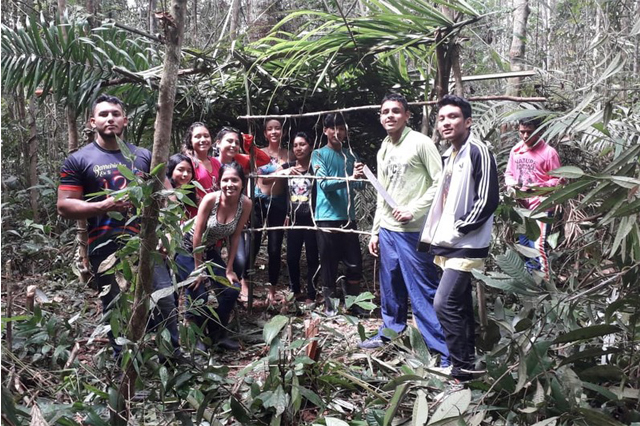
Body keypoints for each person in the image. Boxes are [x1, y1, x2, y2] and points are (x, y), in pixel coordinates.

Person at [57, 94, 179, 356]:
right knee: (116, 307)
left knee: (165, 301)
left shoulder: (144, 156)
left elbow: (168, 196)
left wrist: (166, 235)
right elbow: (64, 205)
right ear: (92, 122)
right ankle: (124, 367)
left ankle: (172, 360)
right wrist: (103, 206)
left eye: (115, 113)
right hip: (106, 247)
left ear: (125, 120)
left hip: (146, 242)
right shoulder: (79, 160)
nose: (109, 118)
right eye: (103, 114)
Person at [360, 93, 449, 367]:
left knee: (423, 289)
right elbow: (381, 193)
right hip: (388, 230)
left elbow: (440, 181)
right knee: (391, 286)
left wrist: (415, 209)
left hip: (413, 231)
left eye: (396, 111)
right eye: (385, 111)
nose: (390, 116)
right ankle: (391, 332)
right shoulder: (384, 147)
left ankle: (442, 349)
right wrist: (375, 231)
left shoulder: (421, 143)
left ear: (407, 115)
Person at [419, 95, 499, 383]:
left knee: (443, 303)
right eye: (441, 118)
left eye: (452, 117)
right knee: (459, 304)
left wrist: (459, 229)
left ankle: (461, 369)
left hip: (467, 243)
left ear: (468, 121)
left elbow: (488, 199)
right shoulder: (451, 154)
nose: (445, 123)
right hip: (451, 243)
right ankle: (467, 366)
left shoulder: (478, 150)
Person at [175, 162, 252, 350]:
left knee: (232, 289)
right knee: (197, 290)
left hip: (209, 250)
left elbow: (235, 237)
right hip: (187, 248)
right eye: (225, 180)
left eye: (235, 180)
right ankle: (197, 337)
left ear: (242, 183)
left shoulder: (246, 203)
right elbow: (197, 234)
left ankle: (218, 334)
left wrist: (229, 268)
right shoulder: (211, 200)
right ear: (219, 182)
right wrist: (198, 269)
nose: (230, 184)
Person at [311, 113, 365, 316]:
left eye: (341, 128)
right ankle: (330, 306)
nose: (337, 132)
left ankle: (353, 303)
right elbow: (323, 183)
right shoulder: (318, 154)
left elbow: (359, 185)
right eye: (332, 128)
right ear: (325, 131)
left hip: (348, 217)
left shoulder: (351, 155)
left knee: (354, 262)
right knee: (328, 262)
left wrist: (360, 174)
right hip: (326, 217)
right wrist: (350, 177)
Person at [214, 126, 270, 301]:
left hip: (237, 216)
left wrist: (248, 144)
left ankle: (235, 288)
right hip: (214, 218)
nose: (233, 145)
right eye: (229, 141)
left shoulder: (240, 161)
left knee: (240, 259)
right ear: (218, 143)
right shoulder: (212, 163)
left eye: (235, 142)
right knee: (213, 255)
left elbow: (264, 159)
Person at [264, 132, 319, 304]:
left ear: (310, 146)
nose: (298, 148)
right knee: (292, 257)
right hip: (293, 218)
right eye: (295, 145)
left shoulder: (316, 167)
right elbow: (265, 180)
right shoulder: (289, 166)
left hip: (312, 218)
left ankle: (311, 294)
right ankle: (295, 291)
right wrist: (285, 171)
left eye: (302, 144)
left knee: (312, 257)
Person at [505, 117, 562, 280]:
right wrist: (511, 185)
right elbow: (509, 173)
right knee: (525, 246)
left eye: (529, 132)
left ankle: (546, 288)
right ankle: (530, 283)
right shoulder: (516, 151)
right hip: (521, 207)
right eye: (522, 132)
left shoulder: (549, 153)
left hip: (541, 208)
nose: (524, 136)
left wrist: (538, 187)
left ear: (539, 131)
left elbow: (560, 179)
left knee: (538, 247)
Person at [251, 118, 291, 304]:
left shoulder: (289, 154)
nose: (274, 131)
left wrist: (290, 211)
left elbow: (291, 184)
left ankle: (272, 290)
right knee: (254, 243)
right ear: (265, 133)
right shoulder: (258, 153)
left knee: (275, 248)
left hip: (279, 201)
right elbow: (261, 178)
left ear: (282, 131)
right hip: (259, 200)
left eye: (277, 128)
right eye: (270, 129)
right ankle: (246, 285)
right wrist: (280, 172)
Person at [181, 122, 222, 198]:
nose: (203, 140)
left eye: (206, 136)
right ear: (190, 140)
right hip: (196, 208)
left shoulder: (216, 162)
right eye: (198, 137)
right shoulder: (187, 164)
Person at [166, 153, 198, 219]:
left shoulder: (193, 193)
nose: (185, 174)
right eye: (180, 170)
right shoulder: (163, 194)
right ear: (171, 171)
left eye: (189, 171)